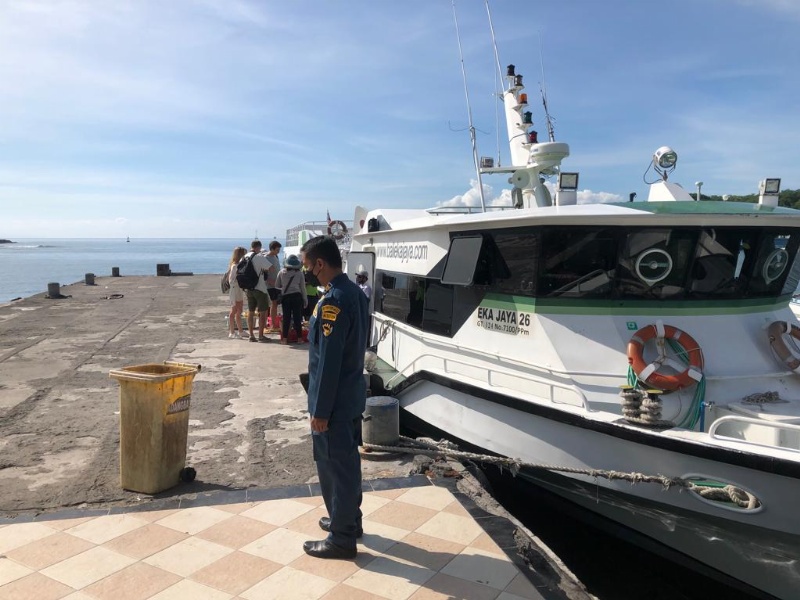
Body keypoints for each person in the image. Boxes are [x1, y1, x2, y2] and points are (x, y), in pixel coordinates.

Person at [300, 235, 368, 560]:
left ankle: (341, 538)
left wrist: (320, 410)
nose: (307, 272)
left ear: (320, 264)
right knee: (348, 464)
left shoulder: (332, 302)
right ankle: (349, 520)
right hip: (352, 397)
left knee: (335, 467)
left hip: (334, 403)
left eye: (307, 265)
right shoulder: (354, 292)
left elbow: (328, 362)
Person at [244, 240, 273, 342]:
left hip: (248, 288)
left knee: (251, 312)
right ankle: (260, 335)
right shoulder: (259, 256)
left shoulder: (245, 256)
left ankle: (251, 335)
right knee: (263, 312)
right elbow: (271, 268)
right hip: (260, 288)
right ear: (258, 247)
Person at [275, 254, 307, 344]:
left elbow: (277, 286)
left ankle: (284, 339)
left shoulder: (281, 272)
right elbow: (303, 288)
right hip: (297, 297)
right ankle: (300, 339)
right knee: (297, 318)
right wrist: (305, 299)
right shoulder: (299, 273)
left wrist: (284, 288)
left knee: (286, 318)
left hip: (286, 297)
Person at [227, 246, 247, 339]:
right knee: (234, 310)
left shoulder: (239, 264)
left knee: (239, 310)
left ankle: (240, 330)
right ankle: (232, 332)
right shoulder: (235, 266)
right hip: (235, 289)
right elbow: (231, 280)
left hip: (238, 288)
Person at [262, 240, 282, 332]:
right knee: (267, 305)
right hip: (269, 285)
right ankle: (266, 325)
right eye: (277, 249)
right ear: (272, 249)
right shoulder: (266, 257)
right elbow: (262, 273)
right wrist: (269, 281)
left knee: (275, 304)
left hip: (276, 284)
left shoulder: (275, 256)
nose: (279, 251)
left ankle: (273, 324)